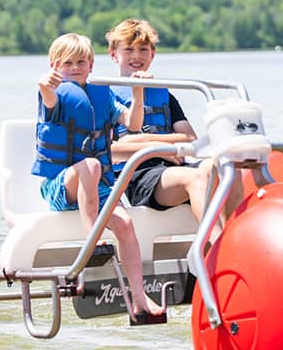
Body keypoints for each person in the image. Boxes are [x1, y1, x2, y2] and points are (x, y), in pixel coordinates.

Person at [32, 33, 163, 318]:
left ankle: (140, 299)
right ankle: (91, 238)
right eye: (68, 63)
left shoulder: (103, 96)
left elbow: (134, 123)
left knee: (126, 224)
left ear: (91, 64)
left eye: (81, 61)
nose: (75, 67)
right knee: (90, 166)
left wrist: (138, 91)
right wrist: (45, 85)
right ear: (55, 66)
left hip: (99, 189)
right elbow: (48, 97)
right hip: (61, 187)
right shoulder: (55, 96)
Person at [105, 18, 245, 225]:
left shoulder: (164, 96)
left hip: (174, 166)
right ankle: (215, 247)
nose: (136, 56)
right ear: (113, 55)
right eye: (128, 50)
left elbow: (189, 138)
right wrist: (160, 148)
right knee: (195, 178)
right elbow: (111, 149)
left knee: (225, 166)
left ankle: (235, 236)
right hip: (139, 176)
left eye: (143, 49)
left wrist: (145, 140)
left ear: (152, 54)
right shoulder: (107, 97)